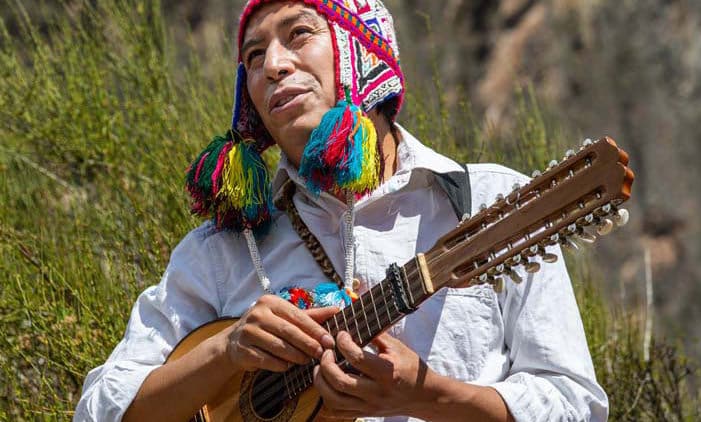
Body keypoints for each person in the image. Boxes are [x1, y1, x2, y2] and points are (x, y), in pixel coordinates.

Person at [74, 0, 608, 421]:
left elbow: (574, 405)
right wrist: (227, 353)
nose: (273, 66)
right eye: (254, 57)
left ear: (361, 50)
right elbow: (101, 410)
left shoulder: (486, 203)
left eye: (299, 34)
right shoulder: (221, 252)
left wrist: (426, 396)